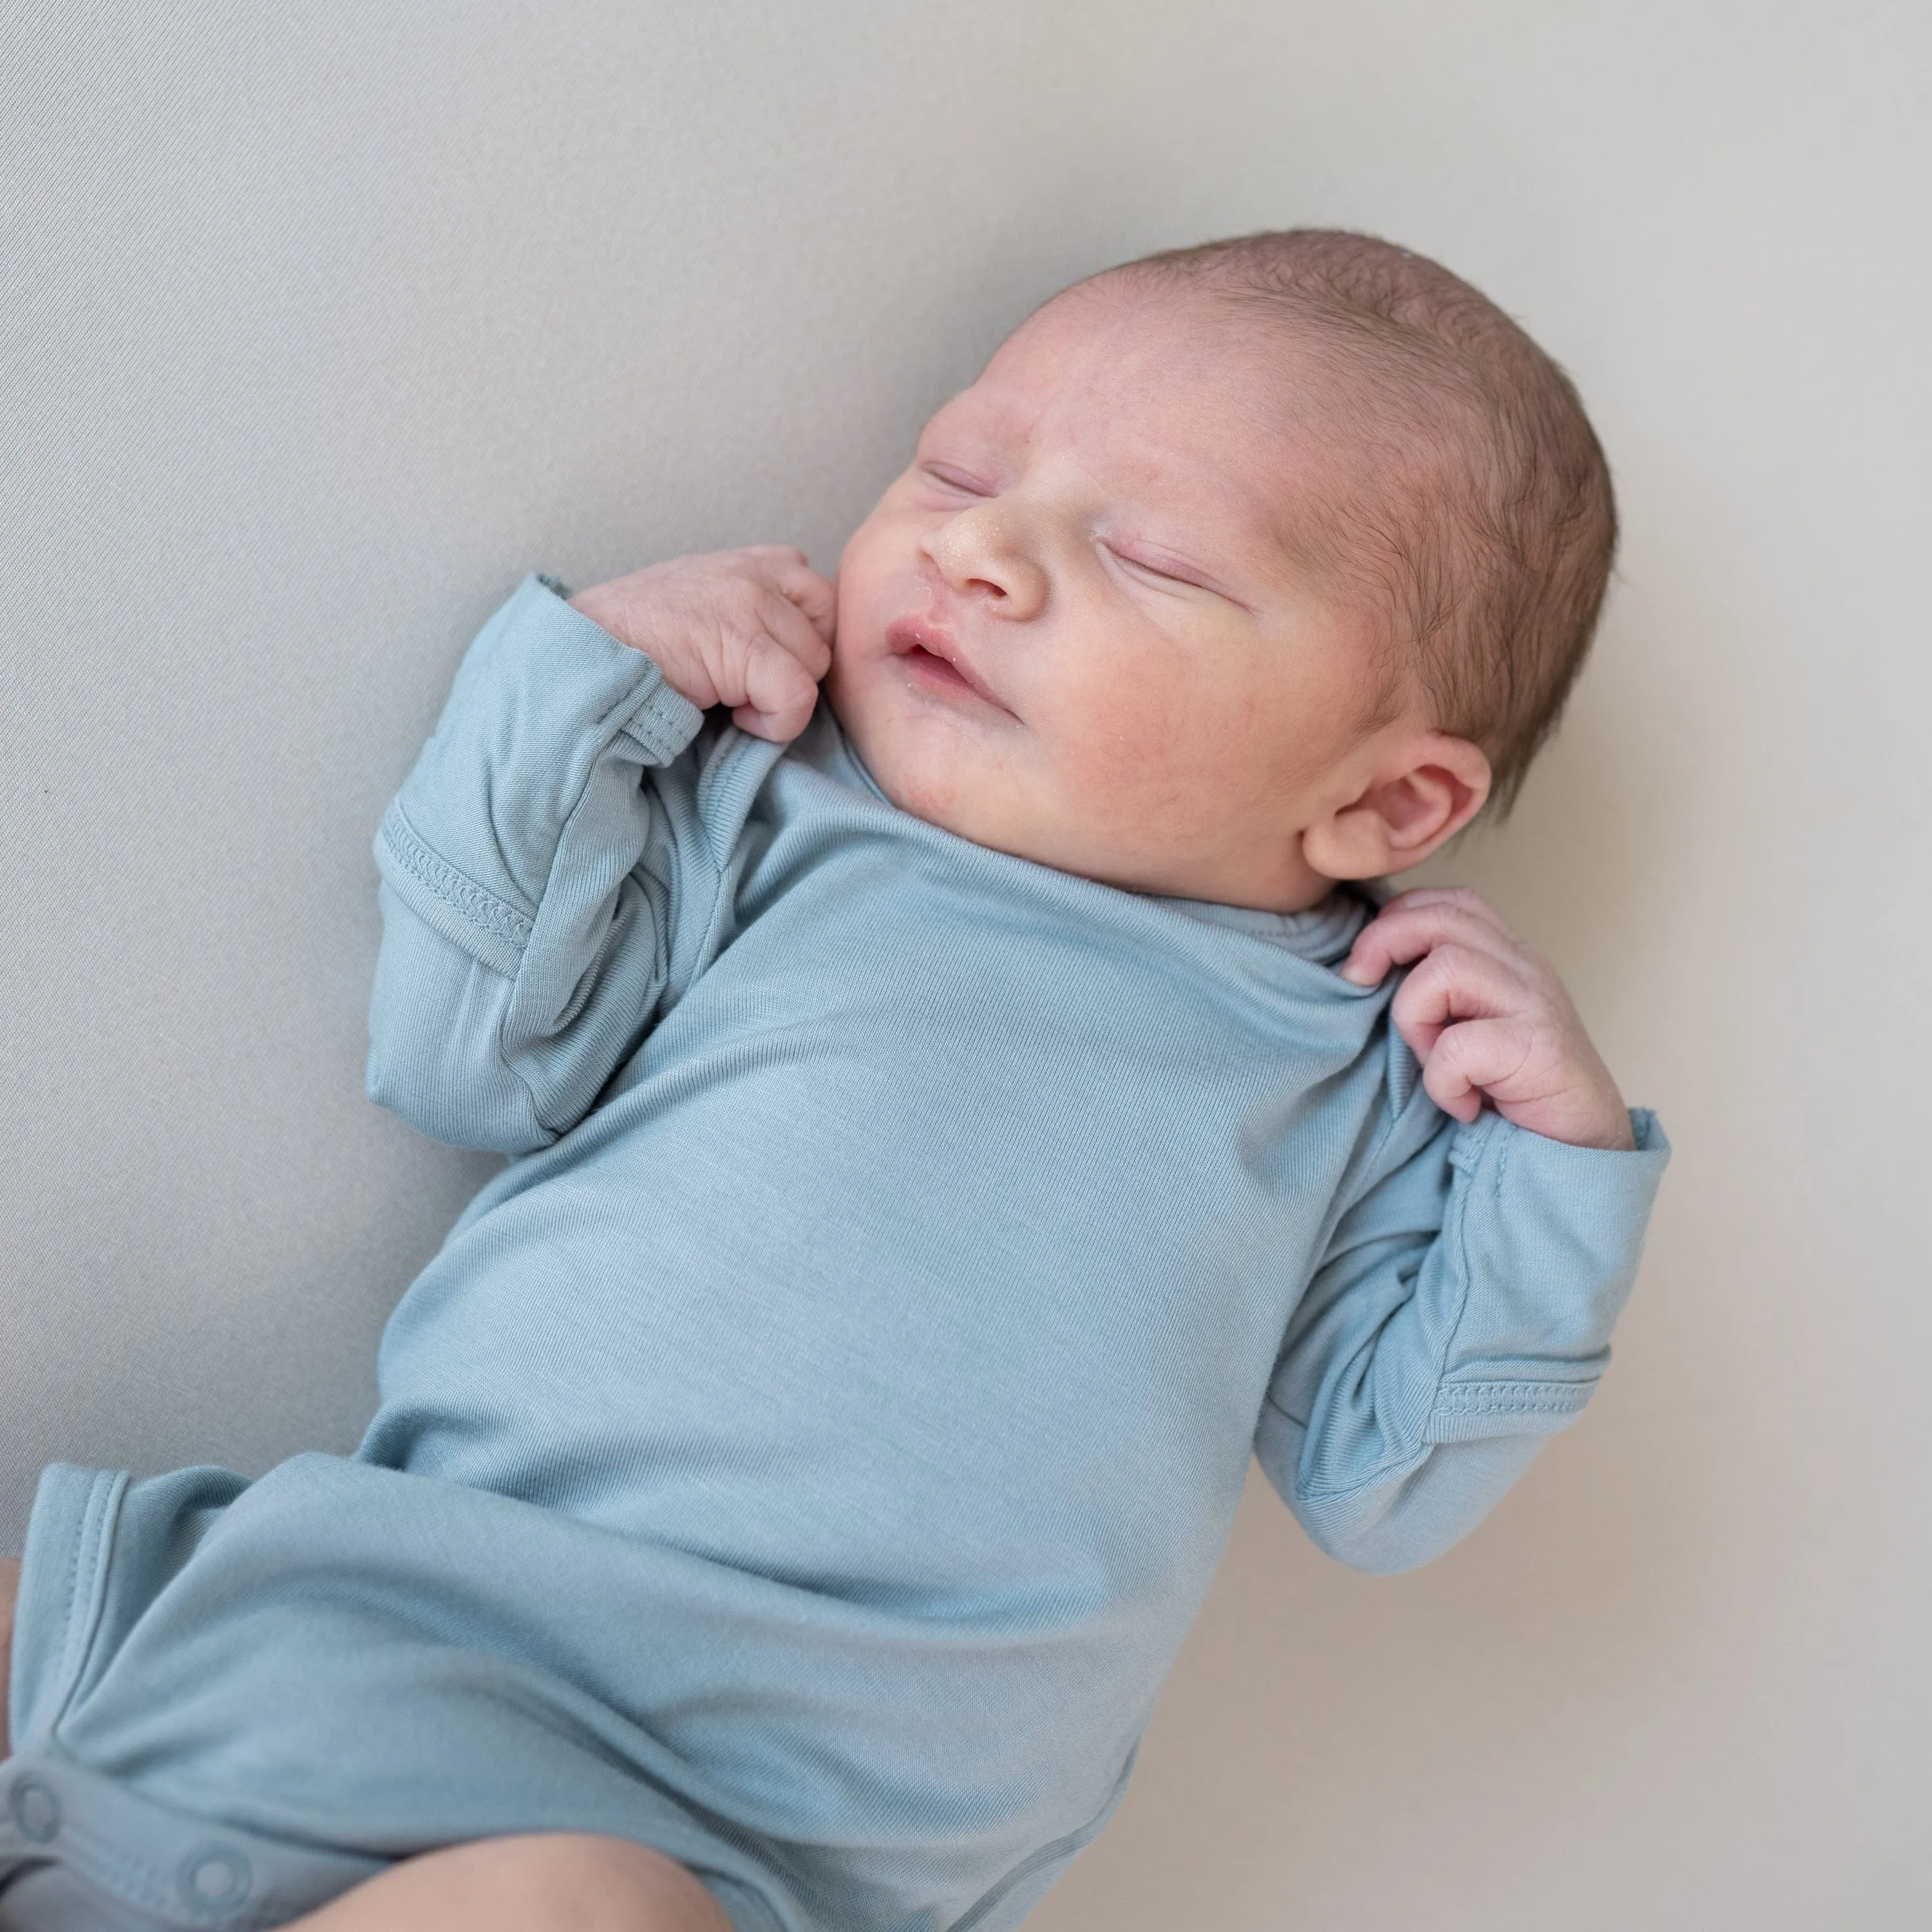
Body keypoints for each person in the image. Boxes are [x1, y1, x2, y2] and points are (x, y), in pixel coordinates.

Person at [0, 231, 1667, 1932]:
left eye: (1145, 555)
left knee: (573, 1905)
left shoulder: (1362, 1066)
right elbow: (464, 1059)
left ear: (1386, 808)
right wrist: (587, 688)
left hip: (741, 1835)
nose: (977, 550)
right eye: (959, 466)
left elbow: (1388, 1481)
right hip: (360, 1608)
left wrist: (1560, 1167)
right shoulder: (775, 806)